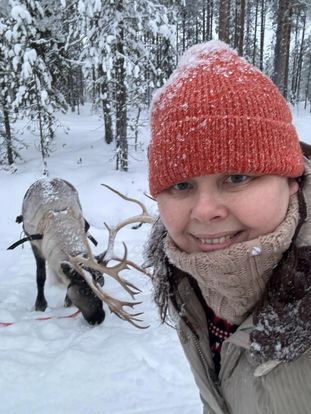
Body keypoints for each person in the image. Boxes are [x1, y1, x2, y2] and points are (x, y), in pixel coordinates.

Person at [144, 39, 311, 414]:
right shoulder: (189, 280)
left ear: (291, 179)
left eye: (237, 177)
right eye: (181, 185)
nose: (204, 211)